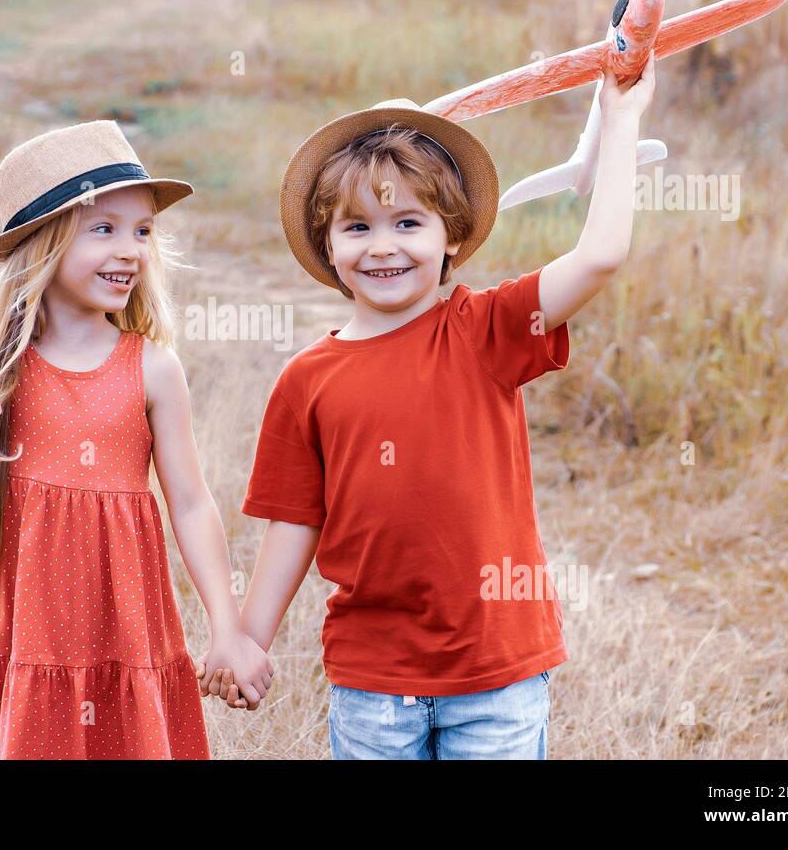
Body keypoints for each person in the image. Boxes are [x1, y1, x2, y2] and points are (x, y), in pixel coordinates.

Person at [208, 60, 656, 758]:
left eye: (407, 222)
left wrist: (622, 116)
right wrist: (247, 638)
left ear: (450, 234)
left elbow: (599, 256)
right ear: (328, 245)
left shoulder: (485, 330)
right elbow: (294, 523)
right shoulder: (306, 380)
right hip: (372, 683)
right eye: (357, 227)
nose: (382, 245)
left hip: (496, 674)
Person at [0, 119, 271, 758]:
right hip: (21, 629)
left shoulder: (152, 368)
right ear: (43, 243)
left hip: (122, 634)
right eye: (104, 230)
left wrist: (226, 629)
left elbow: (192, 504)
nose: (131, 250)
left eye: (143, 231)